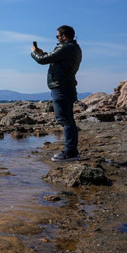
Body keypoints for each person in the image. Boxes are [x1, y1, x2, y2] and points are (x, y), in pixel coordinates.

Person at [31, 25, 82, 161]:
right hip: (67, 87)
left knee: (65, 120)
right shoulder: (73, 48)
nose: (57, 39)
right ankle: (72, 151)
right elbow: (53, 58)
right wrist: (43, 53)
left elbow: (43, 60)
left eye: (58, 36)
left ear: (64, 36)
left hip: (61, 88)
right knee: (69, 120)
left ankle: (70, 152)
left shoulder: (66, 47)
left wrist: (34, 53)